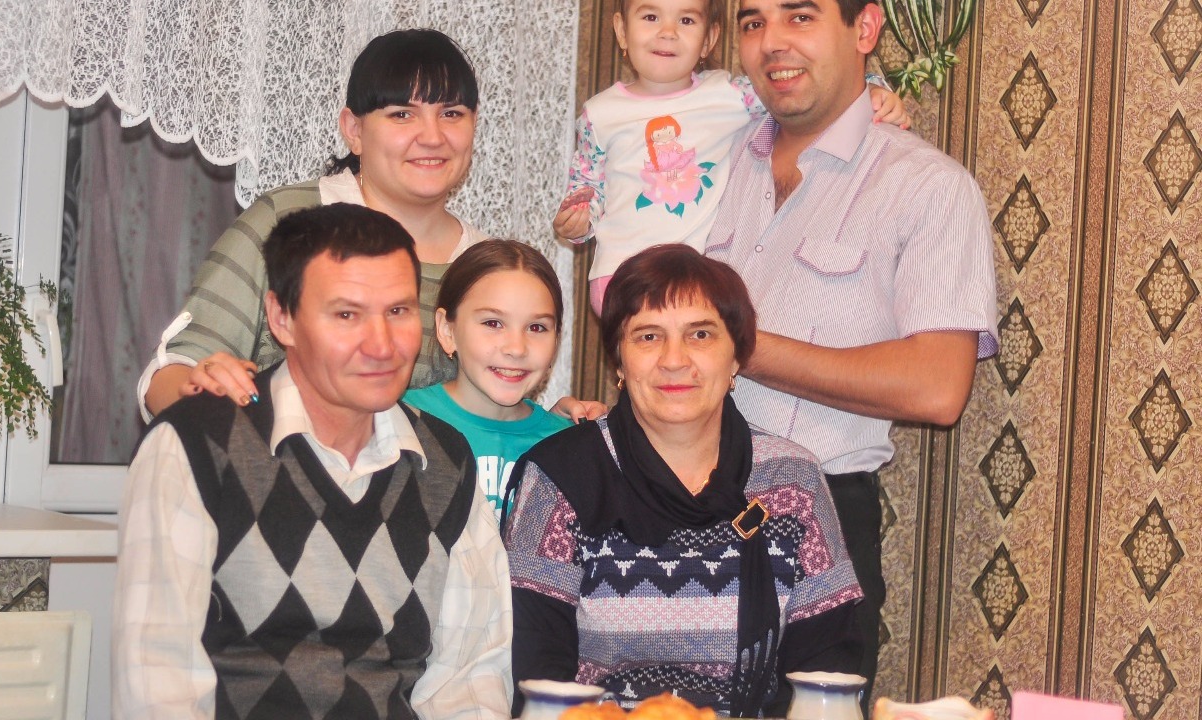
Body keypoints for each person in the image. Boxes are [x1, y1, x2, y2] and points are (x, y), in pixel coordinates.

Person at [704, 0, 1000, 705]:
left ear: (864, 29)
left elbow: (939, 387)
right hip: (664, 507)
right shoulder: (710, 163)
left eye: (800, 16)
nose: (772, 42)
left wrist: (740, 347)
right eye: (752, 22)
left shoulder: (927, 186)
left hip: (813, 528)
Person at [114, 204, 512, 719]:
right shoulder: (195, 448)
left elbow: (469, 683)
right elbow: (158, 683)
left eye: (398, 311)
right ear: (282, 318)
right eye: (347, 315)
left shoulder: (446, 463)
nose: (382, 345)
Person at [504, 244, 864, 717]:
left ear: (736, 358)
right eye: (648, 336)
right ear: (619, 361)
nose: (674, 359)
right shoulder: (561, 478)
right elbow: (536, 676)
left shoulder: (793, 482)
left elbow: (827, 672)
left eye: (700, 334)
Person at [138, 28, 486, 419]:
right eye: (402, 114)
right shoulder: (285, 221)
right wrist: (204, 393)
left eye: (452, 114)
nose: (432, 137)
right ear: (354, 130)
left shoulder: (488, 267)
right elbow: (172, 372)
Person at [551, 0, 910, 315]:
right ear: (621, 31)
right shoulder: (599, 113)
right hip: (619, 274)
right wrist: (579, 221)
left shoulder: (730, 95)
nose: (667, 33)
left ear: (709, 39)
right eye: (650, 17)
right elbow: (588, 184)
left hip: (697, 277)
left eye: (686, 20)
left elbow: (808, 84)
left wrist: (873, 88)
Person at [403, 240, 571, 517]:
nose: (516, 348)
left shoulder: (569, 446)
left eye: (536, 327)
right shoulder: (400, 420)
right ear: (447, 330)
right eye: (493, 323)